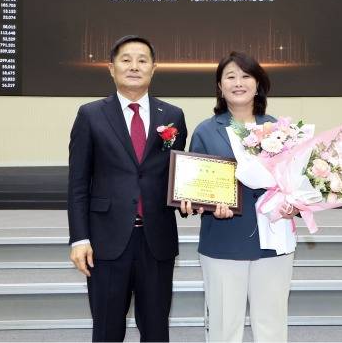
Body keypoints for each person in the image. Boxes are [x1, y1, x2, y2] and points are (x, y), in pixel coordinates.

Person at [68, 35, 187, 342]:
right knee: (107, 331)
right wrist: (79, 238)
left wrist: (191, 199)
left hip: (156, 241)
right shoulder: (90, 115)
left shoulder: (172, 116)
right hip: (106, 242)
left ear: (153, 68)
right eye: (126, 60)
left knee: (156, 330)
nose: (134, 66)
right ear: (111, 68)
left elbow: (176, 177)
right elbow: (78, 183)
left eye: (142, 60)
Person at [181, 51, 299, 342]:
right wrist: (204, 205)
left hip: (274, 240)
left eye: (246, 76)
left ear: (258, 84)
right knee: (223, 327)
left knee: (272, 325)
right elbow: (195, 187)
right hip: (224, 241)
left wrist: (294, 205)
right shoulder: (206, 131)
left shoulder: (280, 129)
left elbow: (295, 183)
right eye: (230, 77)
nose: (238, 83)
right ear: (220, 87)